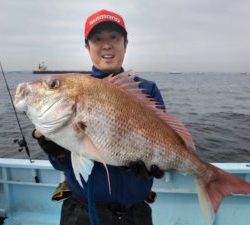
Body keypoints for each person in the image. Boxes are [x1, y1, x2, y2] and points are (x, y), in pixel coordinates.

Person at [33, 9, 166, 225]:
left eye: (114, 37)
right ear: (87, 46)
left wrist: (158, 164)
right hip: (83, 211)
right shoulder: (72, 92)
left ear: (125, 43)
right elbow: (62, 165)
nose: (107, 45)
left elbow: (164, 140)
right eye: (97, 39)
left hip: (135, 213)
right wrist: (55, 150)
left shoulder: (147, 90)